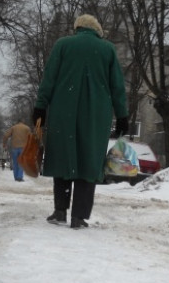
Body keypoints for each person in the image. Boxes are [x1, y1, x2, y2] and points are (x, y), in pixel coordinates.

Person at [33, 14, 129, 229]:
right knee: (89, 161)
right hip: (96, 114)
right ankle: (79, 216)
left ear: (77, 28)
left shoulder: (63, 45)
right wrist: (122, 115)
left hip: (62, 111)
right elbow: (117, 87)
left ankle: (60, 211)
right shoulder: (107, 50)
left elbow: (49, 78)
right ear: (97, 31)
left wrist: (41, 107)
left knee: (63, 157)